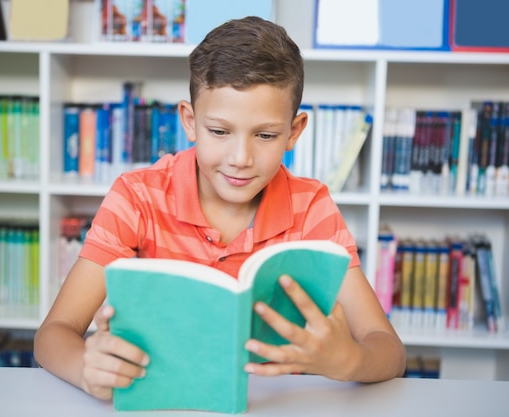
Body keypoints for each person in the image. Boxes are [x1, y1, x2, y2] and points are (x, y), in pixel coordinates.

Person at [34, 16, 406, 401]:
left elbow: (389, 350)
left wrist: (349, 361)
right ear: (190, 122)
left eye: (265, 135)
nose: (240, 158)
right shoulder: (136, 197)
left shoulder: (311, 207)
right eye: (219, 132)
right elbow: (53, 334)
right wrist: (86, 368)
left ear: (293, 132)